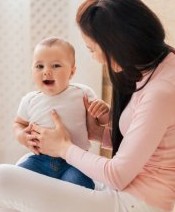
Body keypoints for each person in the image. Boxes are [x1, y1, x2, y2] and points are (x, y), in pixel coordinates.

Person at [0, 0, 175, 212]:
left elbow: (117, 175)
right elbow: (146, 145)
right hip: (122, 190)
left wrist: (63, 148)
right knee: (23, 168)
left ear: (117, 44)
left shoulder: (162, 91)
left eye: (92, 49)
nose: (95, 58)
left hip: (133, 204)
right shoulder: (159, 62)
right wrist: (98, 134)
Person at [14, 36, 109, 190]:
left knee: (79, 184)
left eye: (56, 65)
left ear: (72, 72)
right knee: (19, 179)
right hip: (40, 160)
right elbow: (18, 123)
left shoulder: (82, 93)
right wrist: (22, 136)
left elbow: (103, 120)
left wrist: (104, 110)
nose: (46, 72)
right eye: (39, 66)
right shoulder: (30, 100)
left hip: (75, 160)